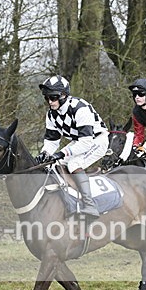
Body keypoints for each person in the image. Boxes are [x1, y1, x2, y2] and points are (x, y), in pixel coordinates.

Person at [34, 75, 109, 217]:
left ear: (64, 95)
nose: (50, 102)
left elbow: (86, 142)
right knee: (53, 164)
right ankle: (67, 198)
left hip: (97, 140)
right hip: (79, 141)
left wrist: (62, 153)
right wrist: (45, 153)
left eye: (53, 97)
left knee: (74, 163)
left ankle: (90, 205)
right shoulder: (51, 115)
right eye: (47, 98)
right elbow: (52, 141)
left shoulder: (80, 108)